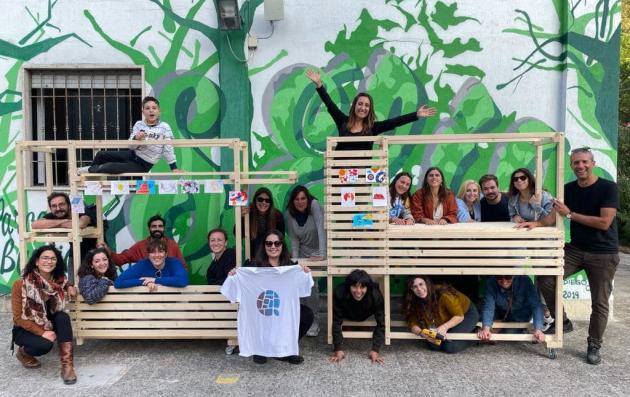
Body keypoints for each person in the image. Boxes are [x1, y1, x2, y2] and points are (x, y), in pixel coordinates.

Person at [518, 147, 619, 365]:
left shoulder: (608, 188)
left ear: (593, 163)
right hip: (576, 248)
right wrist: (533, 224)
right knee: (545, 276)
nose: (580, 166)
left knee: (599, 302)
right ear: (571, 166)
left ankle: (594, 344)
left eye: (584, 162)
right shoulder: (568, 189)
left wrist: (571, 214)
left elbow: (604, 223)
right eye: (576, 163)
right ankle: (562, 321)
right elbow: (551, 218)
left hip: (603, 253)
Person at [305, 69, 436, 151]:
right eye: (360, 104)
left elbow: (395, 122)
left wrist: (416, 115)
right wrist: (319, 85)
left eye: (366, 105)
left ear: (370, 109)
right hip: (340, 174)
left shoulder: (372, 127)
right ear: (354, 106)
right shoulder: (343, 122)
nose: (363, 108)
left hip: (361, 177)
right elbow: (330, 104)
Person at [237, 229, 314, 365]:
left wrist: (304, 273)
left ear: (282, 246)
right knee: (259, 319)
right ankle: (260, 348)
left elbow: (301, 288)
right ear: (264, 245)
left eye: (277, 243)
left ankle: (286, 349)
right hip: (260, 311)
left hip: (281, 309)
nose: (273, 247)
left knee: (306, 314)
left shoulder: (291, 267)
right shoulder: (254, 266)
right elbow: (242, 282)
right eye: (269, 243)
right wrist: (235, 274)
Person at [11, 245, 77, 384]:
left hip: (48, 322)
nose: (49, 261)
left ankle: (67, 366)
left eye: (53, 258)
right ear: (36, 261)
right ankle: (23, 353)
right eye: (45, 258)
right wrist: (42, 332)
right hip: (25, 327)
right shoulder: (21, 284)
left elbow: (64, 282)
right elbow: (18, 318)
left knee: (62, 317)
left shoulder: (58, 281)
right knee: (44, 345)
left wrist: (70, 286)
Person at [76, 96, 182, 175]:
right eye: (147, 108)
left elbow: (168, 148)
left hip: (143, 164)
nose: (151, 110)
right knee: (101, 154)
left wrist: (173, 167)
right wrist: (136, 138)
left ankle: (89, 170)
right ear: (143, 111)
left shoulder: (165, 127)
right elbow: (130, 146)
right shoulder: (139, 124)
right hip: (132, 154)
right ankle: (94, 170)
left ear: (159, 111)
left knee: (110, 167)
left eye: (154, 108)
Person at [285, 185, 326, 337]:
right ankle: (301, 319)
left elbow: (322, 229)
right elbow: (294, 241)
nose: (300, 202)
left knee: (312, 286)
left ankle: (314, 320)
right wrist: (295, 262)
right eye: (296, 199)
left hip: (318, 251)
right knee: (298, 286)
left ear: (307, 199)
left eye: (303, 198)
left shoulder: (314, 205)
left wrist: (322, 254)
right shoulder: (289, 214)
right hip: (303, 253)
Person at [402, 276, 479, 354]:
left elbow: (459, 316)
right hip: (447, 318)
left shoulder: (443, 294)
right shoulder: (413, 300)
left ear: (427, 284)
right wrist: (422, 334)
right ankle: (455, 329)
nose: (419, 289)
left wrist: (444, 327)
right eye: (415, 287)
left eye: (421, 284)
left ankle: (475, 332)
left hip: (465, 314)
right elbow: (412, 323)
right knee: (434, 345)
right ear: (411, 290)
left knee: (450, 347)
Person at [31, 192, 98, 272]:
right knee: (72, 283)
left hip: (96, 256)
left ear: (69, 206)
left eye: (61, 204)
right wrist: (63, 222)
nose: (58, 208)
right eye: (54, 206)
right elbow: (35, 225)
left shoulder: (83, 211)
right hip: (74, 256)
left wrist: (54, 224)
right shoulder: (56, 215)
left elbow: (80, 224)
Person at [330, 269, 385, 364]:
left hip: (365, 314)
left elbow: (381, 323)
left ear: (367, 287)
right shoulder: (340, 293)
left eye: (362, 287)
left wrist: (375, 350)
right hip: (347, 313)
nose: (358, 291)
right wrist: (338, 349)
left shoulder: (375, 295)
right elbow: (336, 321)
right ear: (349, 286)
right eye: (354, 287)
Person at [477, 275, 545, 343]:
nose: (504, 282)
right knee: (481, 321)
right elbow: (488, 306)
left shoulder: (525, 280)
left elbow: (536, 305)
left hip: (520, 315)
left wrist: (538, 329)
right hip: (500, 312)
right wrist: (486, 328)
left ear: (514, 275)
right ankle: (491, 330)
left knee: (509, 332)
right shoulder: (491, 282)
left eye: (508, 277)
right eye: (499, 277)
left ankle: (524, 330)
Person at [106, 214, 187, 270]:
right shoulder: (140, 246)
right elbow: (120, 259)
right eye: (154, 226)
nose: (157, 229)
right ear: (149, 229)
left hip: (169, 287)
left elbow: (183, 267)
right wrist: (108, 252)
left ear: (164, 228)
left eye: (160, 226)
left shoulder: (172, 245)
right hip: (146, 288)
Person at [114, 239, 189, 291]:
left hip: (172, 306)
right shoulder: (143, 264)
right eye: (153, 252)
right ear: (148, 255)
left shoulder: (174, 262)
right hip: (148, 307)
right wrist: (146, 282)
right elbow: (118, 282)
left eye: (160, 251)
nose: (157, 255)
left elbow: (182, 280)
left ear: (166, 254)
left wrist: (155, 280)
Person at [242, 187, 285, 258]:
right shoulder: (249, 214)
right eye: (260, 199)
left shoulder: (277, 215)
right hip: (254, 257)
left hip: (272, 256)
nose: (263, 202)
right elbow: (237, 234)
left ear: (270, 203)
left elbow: (281, 239)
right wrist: (242, 217)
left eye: (267, 200)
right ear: (255, 200)